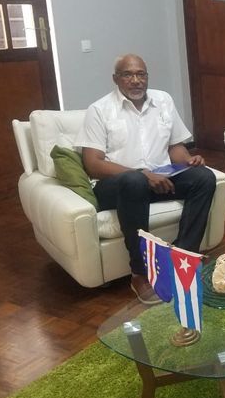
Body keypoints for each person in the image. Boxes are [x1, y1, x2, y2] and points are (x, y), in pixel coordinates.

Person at [76, 54, 216, 304]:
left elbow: (175, 146)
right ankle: (140, 273)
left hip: (161, 177)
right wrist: (142, 174)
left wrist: (188, 160)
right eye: (128, 75)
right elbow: (93, 164)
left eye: (141, 74)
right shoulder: (99, 110)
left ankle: (183, 257)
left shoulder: (163, 101)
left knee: (204, 177)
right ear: (115, 79)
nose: (136, 80)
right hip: (118, 185)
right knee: (135, 182)